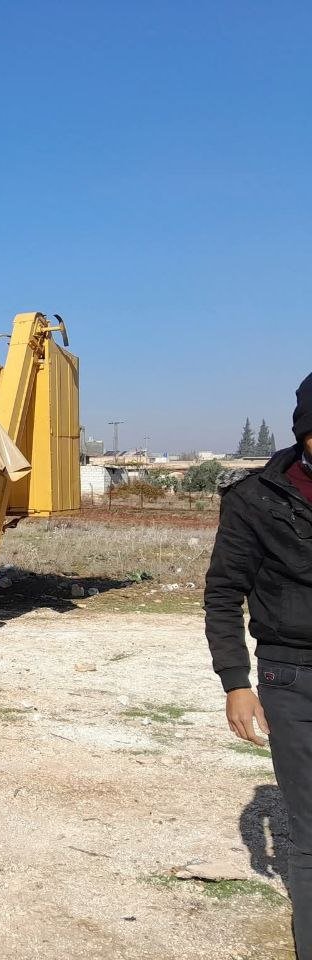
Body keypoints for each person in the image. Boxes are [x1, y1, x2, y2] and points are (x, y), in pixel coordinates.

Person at [206, 371, 312, 955]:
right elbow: (224, 592)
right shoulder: (255, 500)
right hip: (289, 676)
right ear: (303, 434)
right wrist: (235, 682)